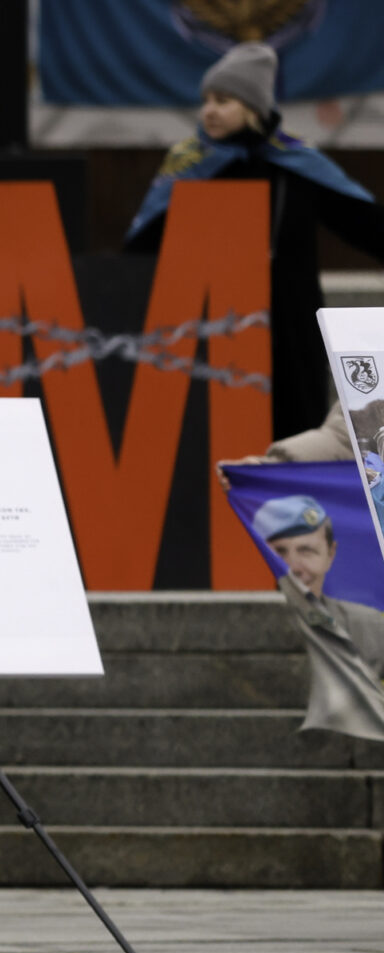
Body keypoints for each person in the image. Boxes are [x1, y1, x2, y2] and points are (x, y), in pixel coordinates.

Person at [126, 42, 384, 438]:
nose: (209, 110)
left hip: (289, 325)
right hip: (211, 327)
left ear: (253, 107)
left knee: (293, 433)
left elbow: (363, 223)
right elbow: (141, 246)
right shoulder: (190, 164)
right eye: (206, 99)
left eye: (223, 100)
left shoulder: (297, 163)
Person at [253, 494, 384, 742]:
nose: (294, 567)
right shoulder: (239, 629)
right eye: (280, 552)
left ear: (330, 554)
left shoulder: (371, 627)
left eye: (306, 551)